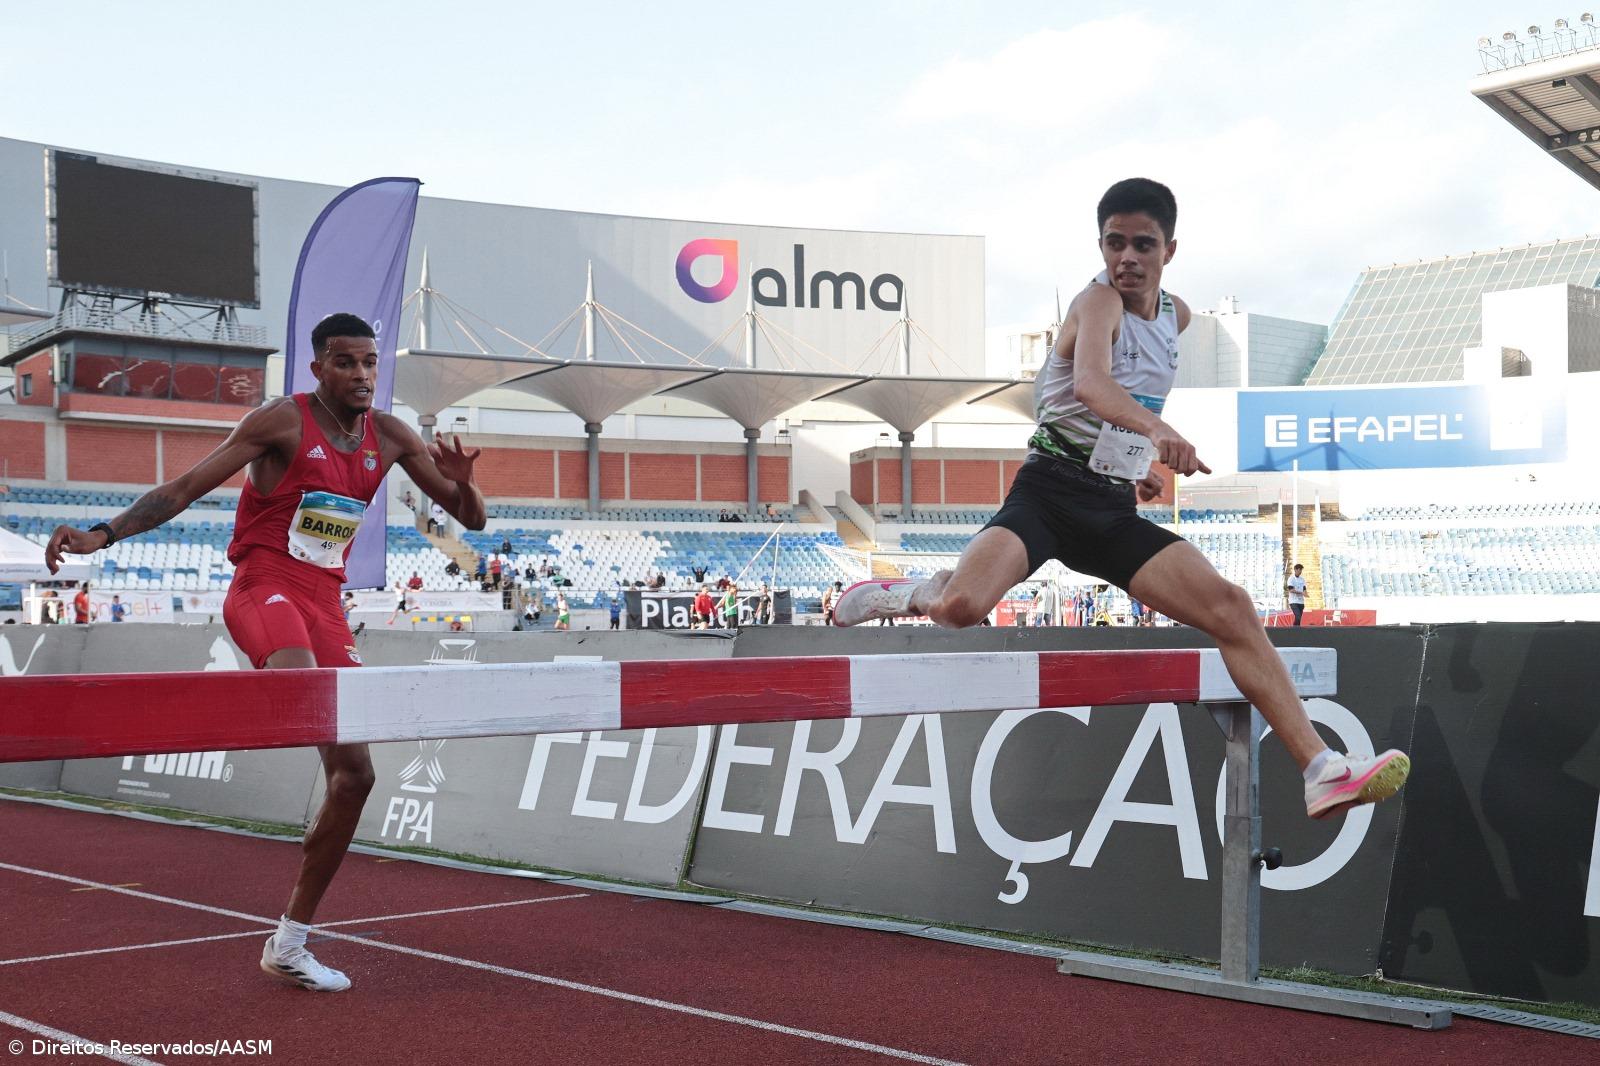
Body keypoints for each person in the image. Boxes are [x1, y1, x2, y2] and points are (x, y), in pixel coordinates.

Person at [830, 179, 1409, 821]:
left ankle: (1321, 769)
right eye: (1114, 243)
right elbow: (1093, 383)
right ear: (1100, 245)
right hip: (1047, 495)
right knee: (963, 607)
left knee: (1232, 607)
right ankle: (910, 592)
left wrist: (1135, 465)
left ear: (1170, 250)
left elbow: (1133, 398)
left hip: (1108, 510)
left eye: (1143, 245)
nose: (1126, 257)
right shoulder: (1097, 301)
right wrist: (1156, 435)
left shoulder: (1176, 316)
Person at [47, 311, 485, 991]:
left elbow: (472, 518)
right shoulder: (280, 421)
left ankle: (289, 941)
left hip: (323, 606)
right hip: (262, 587)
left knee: (356, 776)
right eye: (347, 362)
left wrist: (464, 482)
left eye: (370, 362)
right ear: (319, 369)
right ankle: (190, 727)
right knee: (303, 692)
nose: (363, 374)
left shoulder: (392, 436)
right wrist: (101, 535)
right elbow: (182, 490)